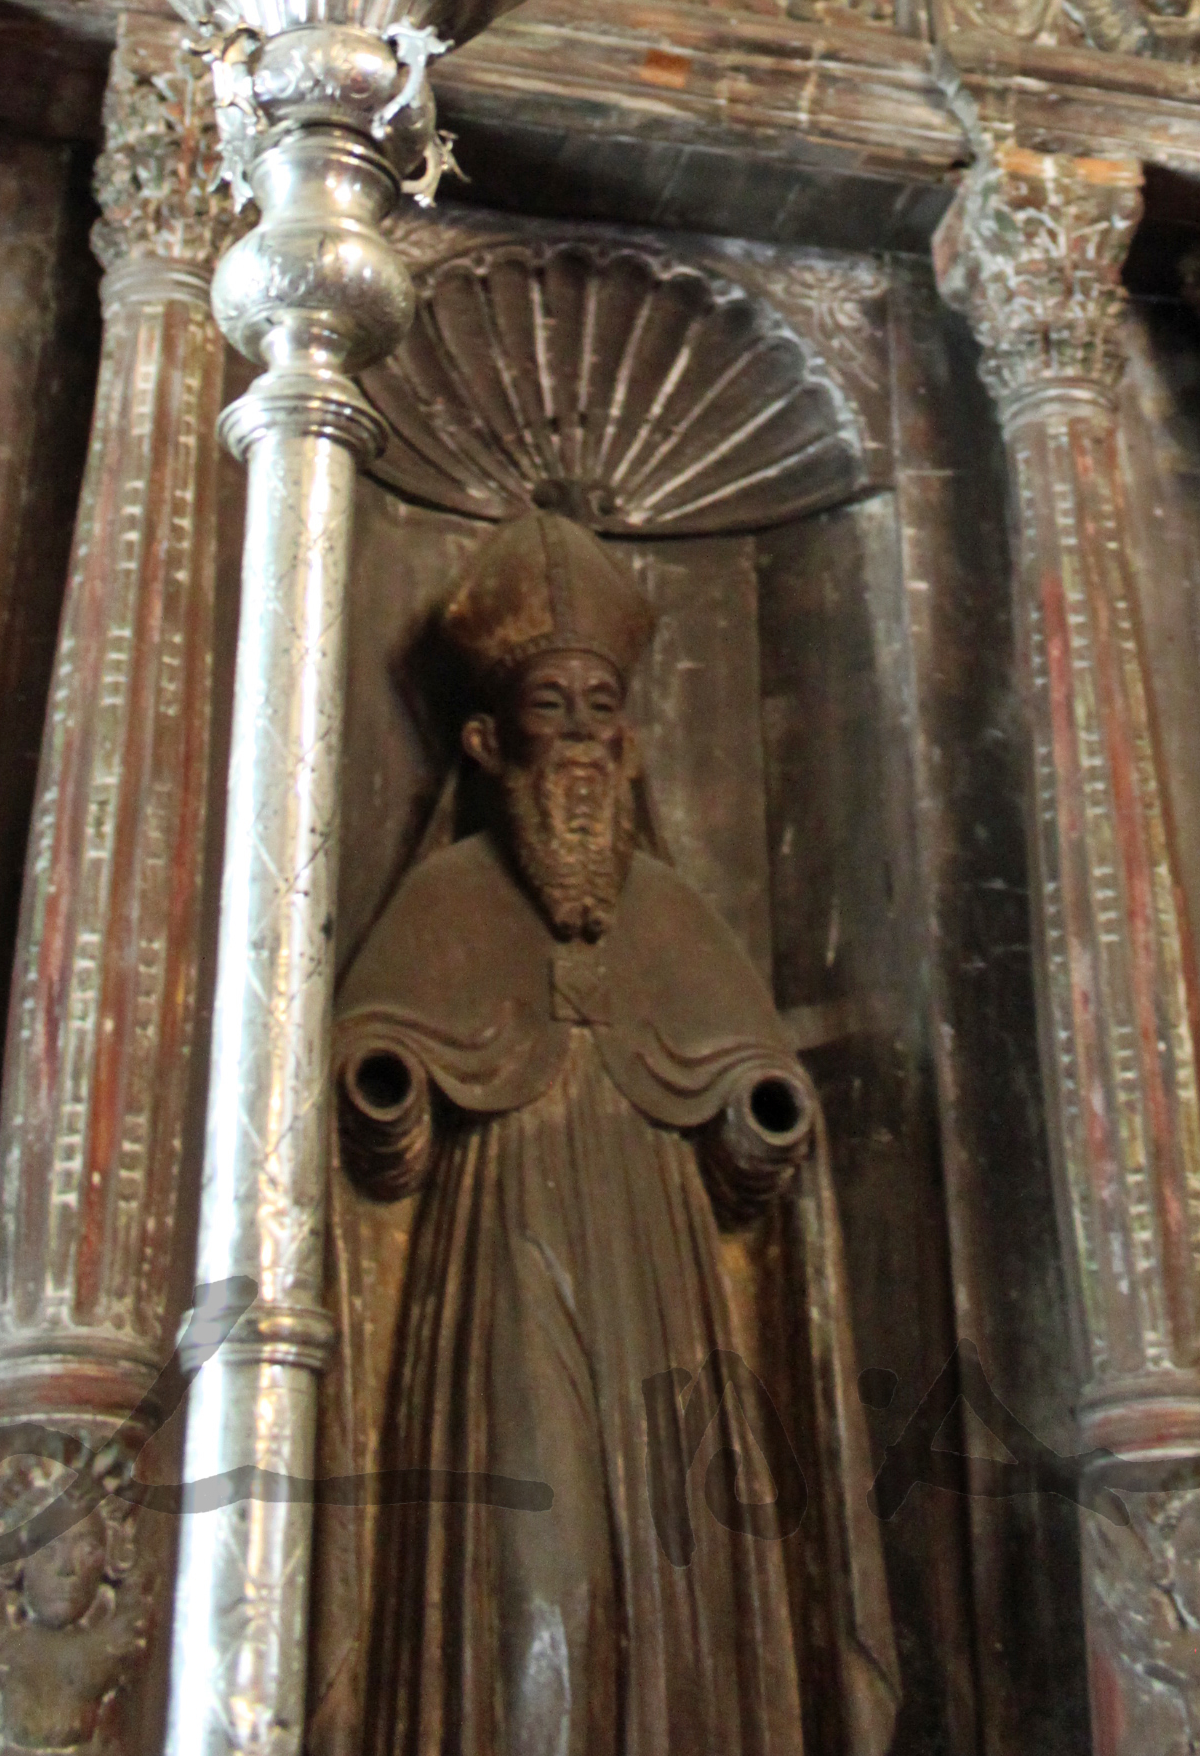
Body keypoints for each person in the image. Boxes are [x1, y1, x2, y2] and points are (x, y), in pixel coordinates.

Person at [331, 508, 895, 1756]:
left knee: (675, 1540)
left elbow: (757, 1163)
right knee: (540, 1545)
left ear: (630, 740)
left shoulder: (674, 911)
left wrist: (758, 1122)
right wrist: (391, 1091)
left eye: (602, 707)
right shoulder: (446, 898)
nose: (583, 733)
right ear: (488, 740)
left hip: (662, 1263)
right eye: (552, 706)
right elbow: (376, 1145)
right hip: (504, 1242)